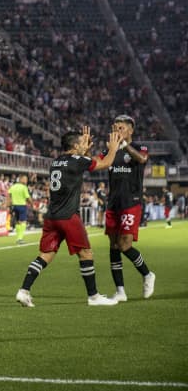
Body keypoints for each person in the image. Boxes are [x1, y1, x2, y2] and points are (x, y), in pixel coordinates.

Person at [16, 127, 122, 308]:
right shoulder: (77, 161)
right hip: (68, 216)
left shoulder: (57, 162)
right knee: (86, 253)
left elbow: (84, 161)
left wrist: (85, 149)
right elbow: (105, 163)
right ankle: (94, 296)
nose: (84, 144)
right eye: (81, 143)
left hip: (52, 217)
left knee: (46, 255)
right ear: (74, 146)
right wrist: (113, 147)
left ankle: (24, 291)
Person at [104, 115, 155, 302]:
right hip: (113, 204)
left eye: (121, 128)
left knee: (125, 245)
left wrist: (124, 145)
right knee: (113, 246)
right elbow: (97, 163)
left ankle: (147, 274)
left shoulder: (140, 147)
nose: (117, 131)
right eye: (115, 127)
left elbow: (142, 159)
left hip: (130, 202)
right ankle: (120, 291)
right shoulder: (111, 150)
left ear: (130, 130)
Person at [7, 175, 32, 244]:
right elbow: (28, 197)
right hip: (22, 206)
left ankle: (18, 238)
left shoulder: (13, 186)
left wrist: (8, 204)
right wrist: (32, 203)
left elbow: (9, 194)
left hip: (14, 206)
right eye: (25, 179)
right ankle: (20, 238)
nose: (26, 180)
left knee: (18, 222)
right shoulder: (24, 187)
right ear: (21, 179)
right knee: (23, 222)